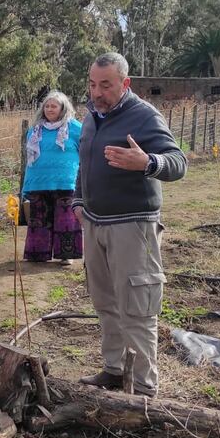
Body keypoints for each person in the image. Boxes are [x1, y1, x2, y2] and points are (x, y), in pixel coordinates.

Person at [72, 52, 187, 397]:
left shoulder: (145, 117)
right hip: (94, 225)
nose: (96, 92)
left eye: (105, 85)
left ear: (125, 84)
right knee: (105, 301)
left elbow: (178, 163)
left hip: (133, 227)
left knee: (137, 306)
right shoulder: (92, 118)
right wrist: (79, 200)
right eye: (92, 84)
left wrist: (148, 162)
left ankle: (141, 386)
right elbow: (84, 163)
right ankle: (114, 369)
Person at [21, 90, 83, 265]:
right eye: (47, 106)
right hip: (38, 182)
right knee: (38, 219)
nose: (49, 109)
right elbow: (30, 158)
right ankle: (37, 254)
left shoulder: (76, 128)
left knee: (66, 220)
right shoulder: (34, 131)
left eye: (54, 106)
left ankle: (66, 255)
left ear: (63, 108)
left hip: (66, 181)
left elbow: (85, 151)